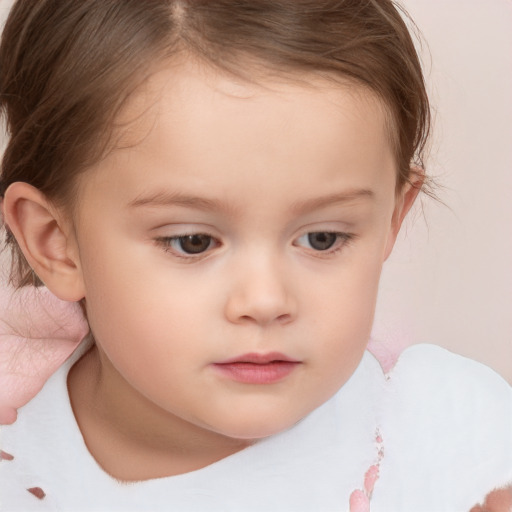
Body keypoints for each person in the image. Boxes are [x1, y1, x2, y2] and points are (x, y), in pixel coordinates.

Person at [0, 1, 510, 510]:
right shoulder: (16, 459)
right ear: (55, 242)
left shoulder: (454, 446)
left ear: (390, 222)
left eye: (323, 238)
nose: (266, 301)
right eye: (192, 242)